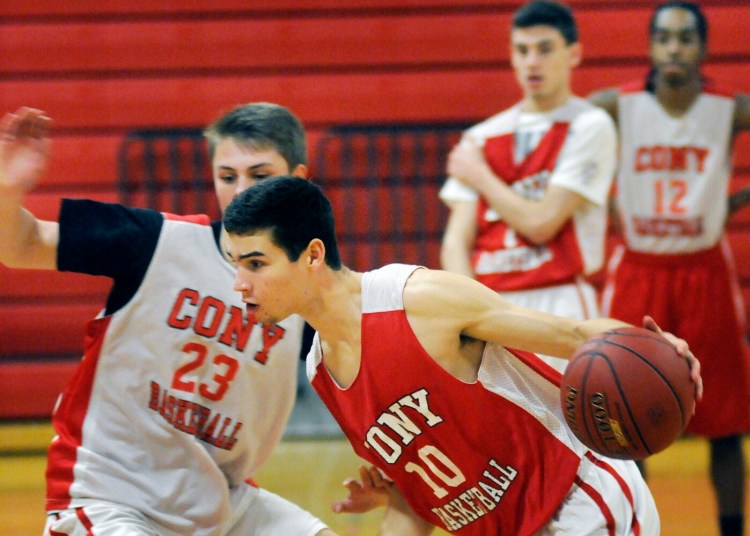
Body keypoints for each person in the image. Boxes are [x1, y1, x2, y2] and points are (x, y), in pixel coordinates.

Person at [223, 175, 703, 535]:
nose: (240, 283)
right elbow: (411, 499)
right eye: (236, 265)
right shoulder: (320, 370)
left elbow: (574, 333)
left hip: (578, 501)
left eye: (256, 264)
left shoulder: (417, 301)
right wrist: (394, 496)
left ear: (310, 255)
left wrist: (663, 352)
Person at [0, 106, 335, 535]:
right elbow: (20, 245)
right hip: (112, 496)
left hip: (222, 502)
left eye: (260, 176)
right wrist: (9, 192)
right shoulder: (154, 242)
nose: (242, 191)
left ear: (298, 179)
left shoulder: (307, 290)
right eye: (228, 176)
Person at [588, 3, 750, 535]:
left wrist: (734, 201)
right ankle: (637, 526)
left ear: (703, 48)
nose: (674, 48)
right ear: (651, 47)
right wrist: (599, 202)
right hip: (639, 271)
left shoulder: (728, 108)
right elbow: (561, 132)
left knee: (726, 425)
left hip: (705, 273)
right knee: (625, 412)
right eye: (663, 38)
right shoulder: (618, 104)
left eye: (685, 38)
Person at [438, 0, 617, 372]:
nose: (532, 61)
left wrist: (481, 177)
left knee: (569, 427)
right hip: (490, 303)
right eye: (522, 50)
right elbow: (456, 242)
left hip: (561, 299)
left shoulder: (590, 125)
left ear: (574, 54)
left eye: (545, 49)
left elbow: (542, 223)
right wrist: (468, 309)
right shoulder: (482, 136)